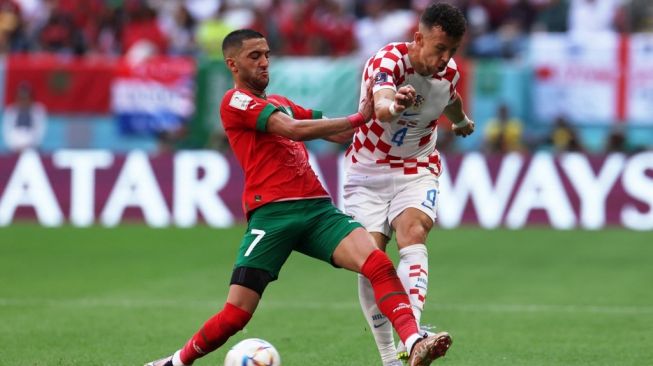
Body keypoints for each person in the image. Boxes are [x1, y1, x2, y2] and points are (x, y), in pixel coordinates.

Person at [144, 29, 451, 366]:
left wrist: (389, 107)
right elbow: (292, 130)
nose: (264, 62)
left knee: (376, 262)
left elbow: (339, 130)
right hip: (272, 215)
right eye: (254, 56)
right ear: (232, 64)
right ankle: (175, 362)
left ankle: (412, 340)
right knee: (236, 314)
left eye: (266, 55)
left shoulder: (281, 103)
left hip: (317, 210)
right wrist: (359, 117)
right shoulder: (235, 102)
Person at [340, 3, 474, 365]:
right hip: (366, 171)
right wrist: (395, 105)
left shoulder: (449, 73)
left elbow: (450, 98)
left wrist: (460, 122)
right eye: (439, 49)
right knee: (371, 259)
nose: (445, 58)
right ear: (418, 38)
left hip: (416, 165)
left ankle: (412, 338)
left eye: (452, 51)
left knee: (413, 232)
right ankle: (391, 357)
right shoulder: (388, 62)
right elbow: (381, 105)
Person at [1, 83, 48, 153]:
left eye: (26, 98)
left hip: (33, 149)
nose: (23, 101)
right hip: (13, 149)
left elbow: (40, 132)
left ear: (31, 98)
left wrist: (29, 147)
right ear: (16, 99)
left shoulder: (38, 111)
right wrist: (15, 147)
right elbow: (6, 132)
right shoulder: (10, 111)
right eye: (21, 98)